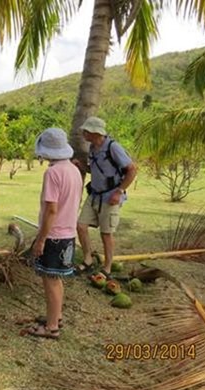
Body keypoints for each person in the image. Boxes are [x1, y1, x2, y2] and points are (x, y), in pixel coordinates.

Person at [27, 128, 83, 340]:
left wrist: (40, 239)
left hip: (54, 234)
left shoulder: (52, 173)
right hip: (68, 233)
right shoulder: (73, 170)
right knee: (56, 278)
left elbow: (51, 210)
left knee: (50, 280)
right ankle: (55, 316)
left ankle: (51, 327)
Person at [76, 116, 137, 277]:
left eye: (86, 131)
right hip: (94, 194)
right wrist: (82, 166)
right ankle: (88, 259)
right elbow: (96, 169)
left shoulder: (113, 147)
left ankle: (107, 268)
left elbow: (132, 169)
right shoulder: (92, 148)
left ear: (95, 133)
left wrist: (119, 192)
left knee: (106, 233)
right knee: (81, 226)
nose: (84, 133)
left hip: (110, 196)